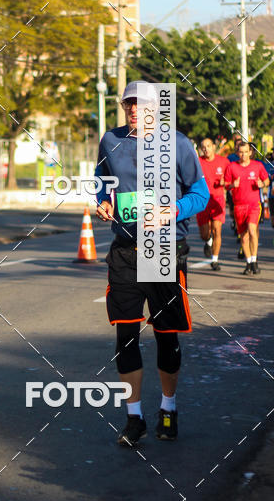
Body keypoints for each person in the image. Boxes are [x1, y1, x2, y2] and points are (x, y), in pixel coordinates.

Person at [95, 81, 209, 447]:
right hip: (126, 250)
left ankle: (169, 407)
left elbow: (200, 194)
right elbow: (101, 183)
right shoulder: (109, 141)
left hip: (163, 247)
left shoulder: (177, 143)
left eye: (140, 104)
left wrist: (172, 210)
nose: (133, 109)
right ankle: (134, 418)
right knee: (125, 335)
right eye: (128, 103)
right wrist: (103, 203)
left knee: (165, 333)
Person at [224, 142, 269, 275]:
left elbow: (266, 180)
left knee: (252, 229)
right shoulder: (232, 167)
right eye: (241, 152)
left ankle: (254, 260)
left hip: (254, 205)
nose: (243, 155)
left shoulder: (257, 165)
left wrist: (262, 183)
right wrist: (233, 184)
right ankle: (249, 263)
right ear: (237, 153)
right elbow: (226, 185)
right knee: (243, 237)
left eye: (246, 152)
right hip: (239, 206)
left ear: (250, 152)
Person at [196, 138, 229, 270]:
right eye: (203, 147)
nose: (206, 149)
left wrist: (225, 182)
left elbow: (230, 179)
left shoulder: (224, 162)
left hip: (218, 199)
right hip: (202, 200)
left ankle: (214, 260)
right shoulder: (198, 162)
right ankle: (208, 241)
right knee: (204, 234)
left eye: (208, 146)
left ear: (213, 147)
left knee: (217, 230)